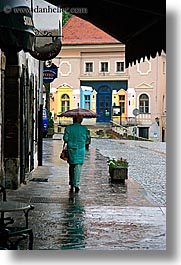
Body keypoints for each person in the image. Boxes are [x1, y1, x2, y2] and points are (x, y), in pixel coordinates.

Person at [63, 115, 90, 193]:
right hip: (80, 149)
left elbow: (65, 139)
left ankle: (71, 182)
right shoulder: (84, 128)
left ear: (73, 119)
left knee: (71, 165)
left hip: (71, 149)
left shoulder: (68, 128)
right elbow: (87, 138)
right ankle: (76, 184)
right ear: (80, 120)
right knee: (78, 166)